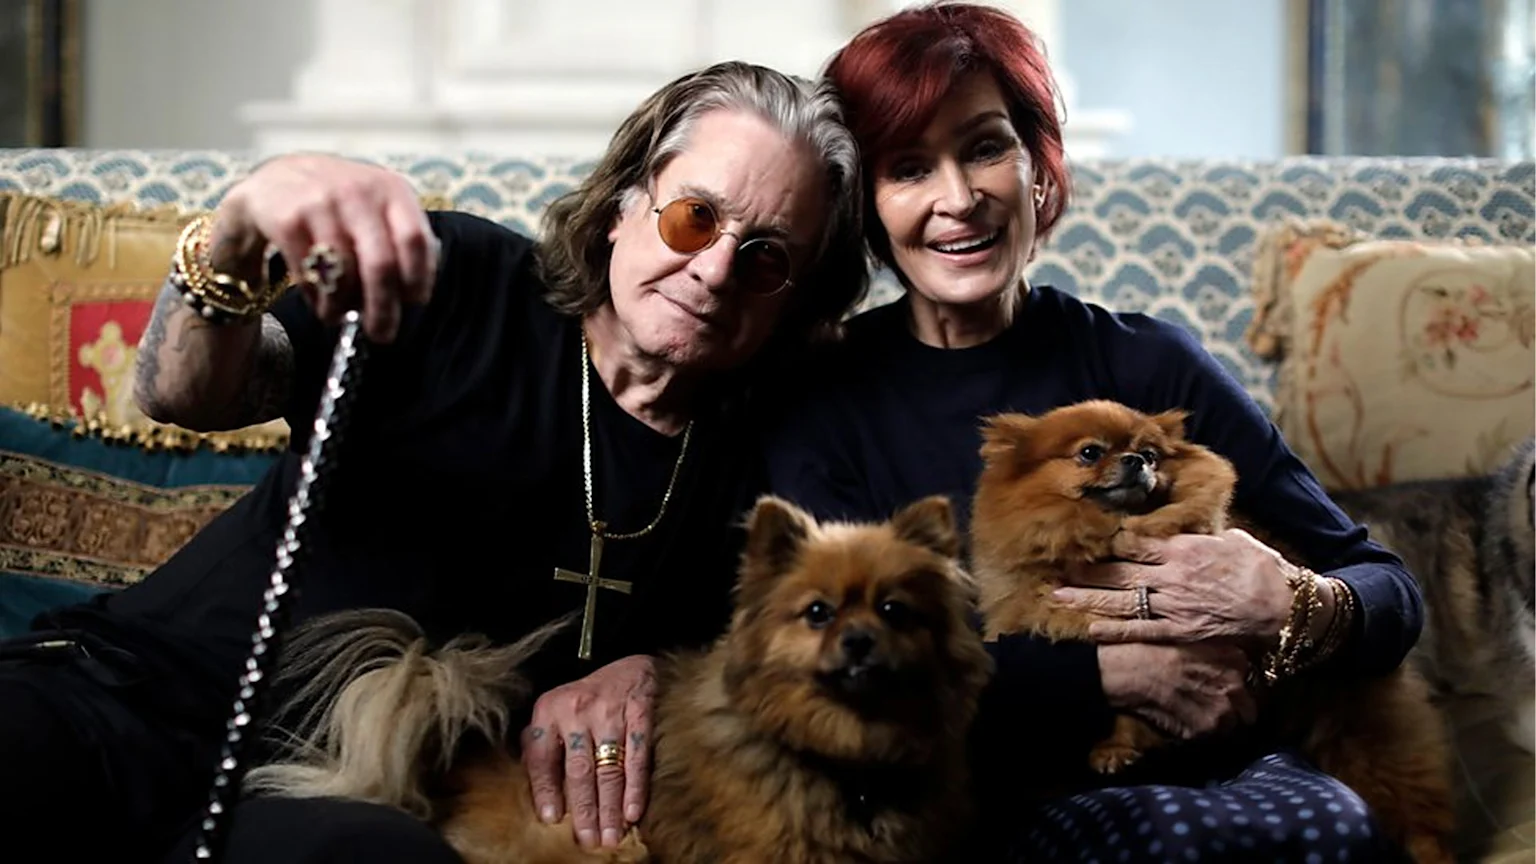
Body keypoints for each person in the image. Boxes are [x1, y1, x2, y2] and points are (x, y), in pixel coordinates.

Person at [0, 61, 865, 863]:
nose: (713, 270)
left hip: (318, 803)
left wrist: (654, 670)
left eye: (764, 260)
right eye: (694, 217)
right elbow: (186, 395)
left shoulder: (766, 459)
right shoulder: (461, 281)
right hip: (123, 701)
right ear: (622, 207)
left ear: (795, 301)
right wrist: (230, 241)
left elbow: (786, 660)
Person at [761, 4, 1424, 861]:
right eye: (909, 168)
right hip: (969, 799)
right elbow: (825, 668)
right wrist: (1107, 673)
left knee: (1331, 823)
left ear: (1037, 168)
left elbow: (1386, 590)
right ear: (868, 207)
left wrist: (1294, 605)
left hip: (1222, 782)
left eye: (986, 148)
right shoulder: (821, 397)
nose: (958, 199)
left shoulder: (1150, 363)